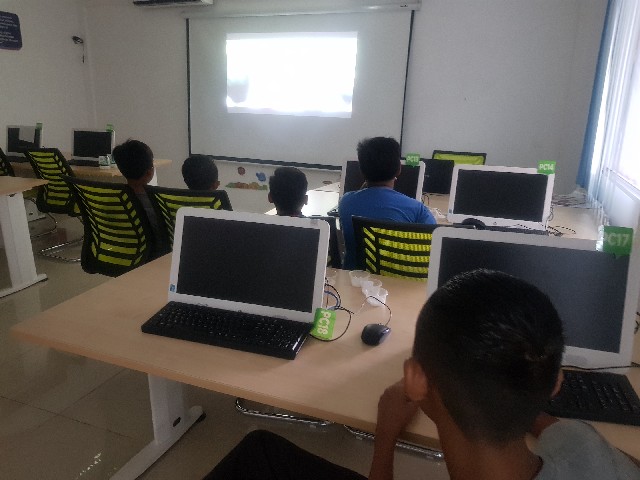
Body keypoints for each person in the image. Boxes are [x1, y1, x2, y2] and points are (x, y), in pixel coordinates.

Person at [203, 269, 640, 480]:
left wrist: (385, 440)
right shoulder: (588, 449)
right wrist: (512, 386)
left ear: (415, 379)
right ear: (555, 383)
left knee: (258, 454)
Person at [339, 137, 436, 269]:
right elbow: (434, 243)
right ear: (399, 169)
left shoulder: (345, 202)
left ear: (361, 169)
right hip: (396, 279)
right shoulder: (417, 209)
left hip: (354, 279)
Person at [112, 139, 162, 242]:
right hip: (152, 251)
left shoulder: (113, 200)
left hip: (121, 247)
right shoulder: (158, 205)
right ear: (149, 172)